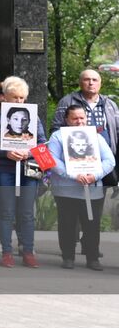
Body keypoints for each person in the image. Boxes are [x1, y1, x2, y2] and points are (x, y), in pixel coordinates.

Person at [0, 76, 44, 268]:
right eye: (14, 97)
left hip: (28, 170)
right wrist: (6, 153)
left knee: (27, 212)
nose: (18, 101)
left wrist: (30, 152)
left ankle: (28, 252)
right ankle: (6, 252)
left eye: (21, 98)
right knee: (6, 211)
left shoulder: (33, 117)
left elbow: (42, 142)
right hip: (4, 170)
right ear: (5, 97)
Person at [48, 104, 114, 270]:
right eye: (75, 118)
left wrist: (94, 175)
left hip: (92, 190)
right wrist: (73, 175)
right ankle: (68, 257)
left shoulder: (96, 137)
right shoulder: (58, 137)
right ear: (67, 120)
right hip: (66, 189)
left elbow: (109, 161)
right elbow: (53, 161)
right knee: (67, 224)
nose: (79, 121)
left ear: (87, 119)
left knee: (92, 225)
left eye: (82, 118)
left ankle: (92, 258)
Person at [50, 68, 119, 167]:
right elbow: (56, 128)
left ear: (100, 83)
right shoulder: (67, 101)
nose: (91, 83)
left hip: (106, 158)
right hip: (76, 160)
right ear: (80, 82)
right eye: (87, 79)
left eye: (94, 80)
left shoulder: (110, 104)